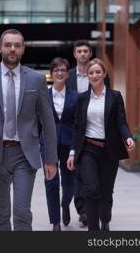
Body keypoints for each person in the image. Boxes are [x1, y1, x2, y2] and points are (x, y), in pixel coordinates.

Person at [0, 28, 57, 231]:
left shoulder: (36, 79)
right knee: (0, 213)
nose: (12, 49)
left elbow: (47, 121)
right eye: (8, 45)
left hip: (24, 154)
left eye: (17, 45)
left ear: (23, 49)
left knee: (21, 211)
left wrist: (51, 159)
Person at [67, 58, 135, 231]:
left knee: (106, 192)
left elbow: (121, 122)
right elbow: (77, 128)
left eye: (98, 72)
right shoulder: (81, 99)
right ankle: (93, 229)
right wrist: (73, 153)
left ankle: (105, 220)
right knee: (91, 189)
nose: (95, 75)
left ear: (104, 74)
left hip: (109, 150)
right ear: (88, 76)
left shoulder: (115, 96)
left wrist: (128, 137)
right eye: (91, 73)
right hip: (88, 149)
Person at [66, 40, 111, 226]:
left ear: (90, 53)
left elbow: (107, 100)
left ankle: (96, 211)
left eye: (86, 51)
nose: (83, 54)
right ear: (75, 54)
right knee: (77, 174)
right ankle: (83, 210)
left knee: (95, 178)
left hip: (95, 133)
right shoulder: (68, 77)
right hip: (74, 130)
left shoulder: (100, 75)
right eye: (79, 51)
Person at [40, 57, 78, 231]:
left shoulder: (75, 97)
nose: (60, 73)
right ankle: (55, 221)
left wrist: (75, 148)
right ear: (51, 73)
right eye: (57, 70)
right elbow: (38, 122)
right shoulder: (43, 96)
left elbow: (79, 124)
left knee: (70, 183)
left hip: (69, 144)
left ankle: (65, 204)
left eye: (63, 70)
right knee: (51, 182)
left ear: (67, 74)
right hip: (49, 145)